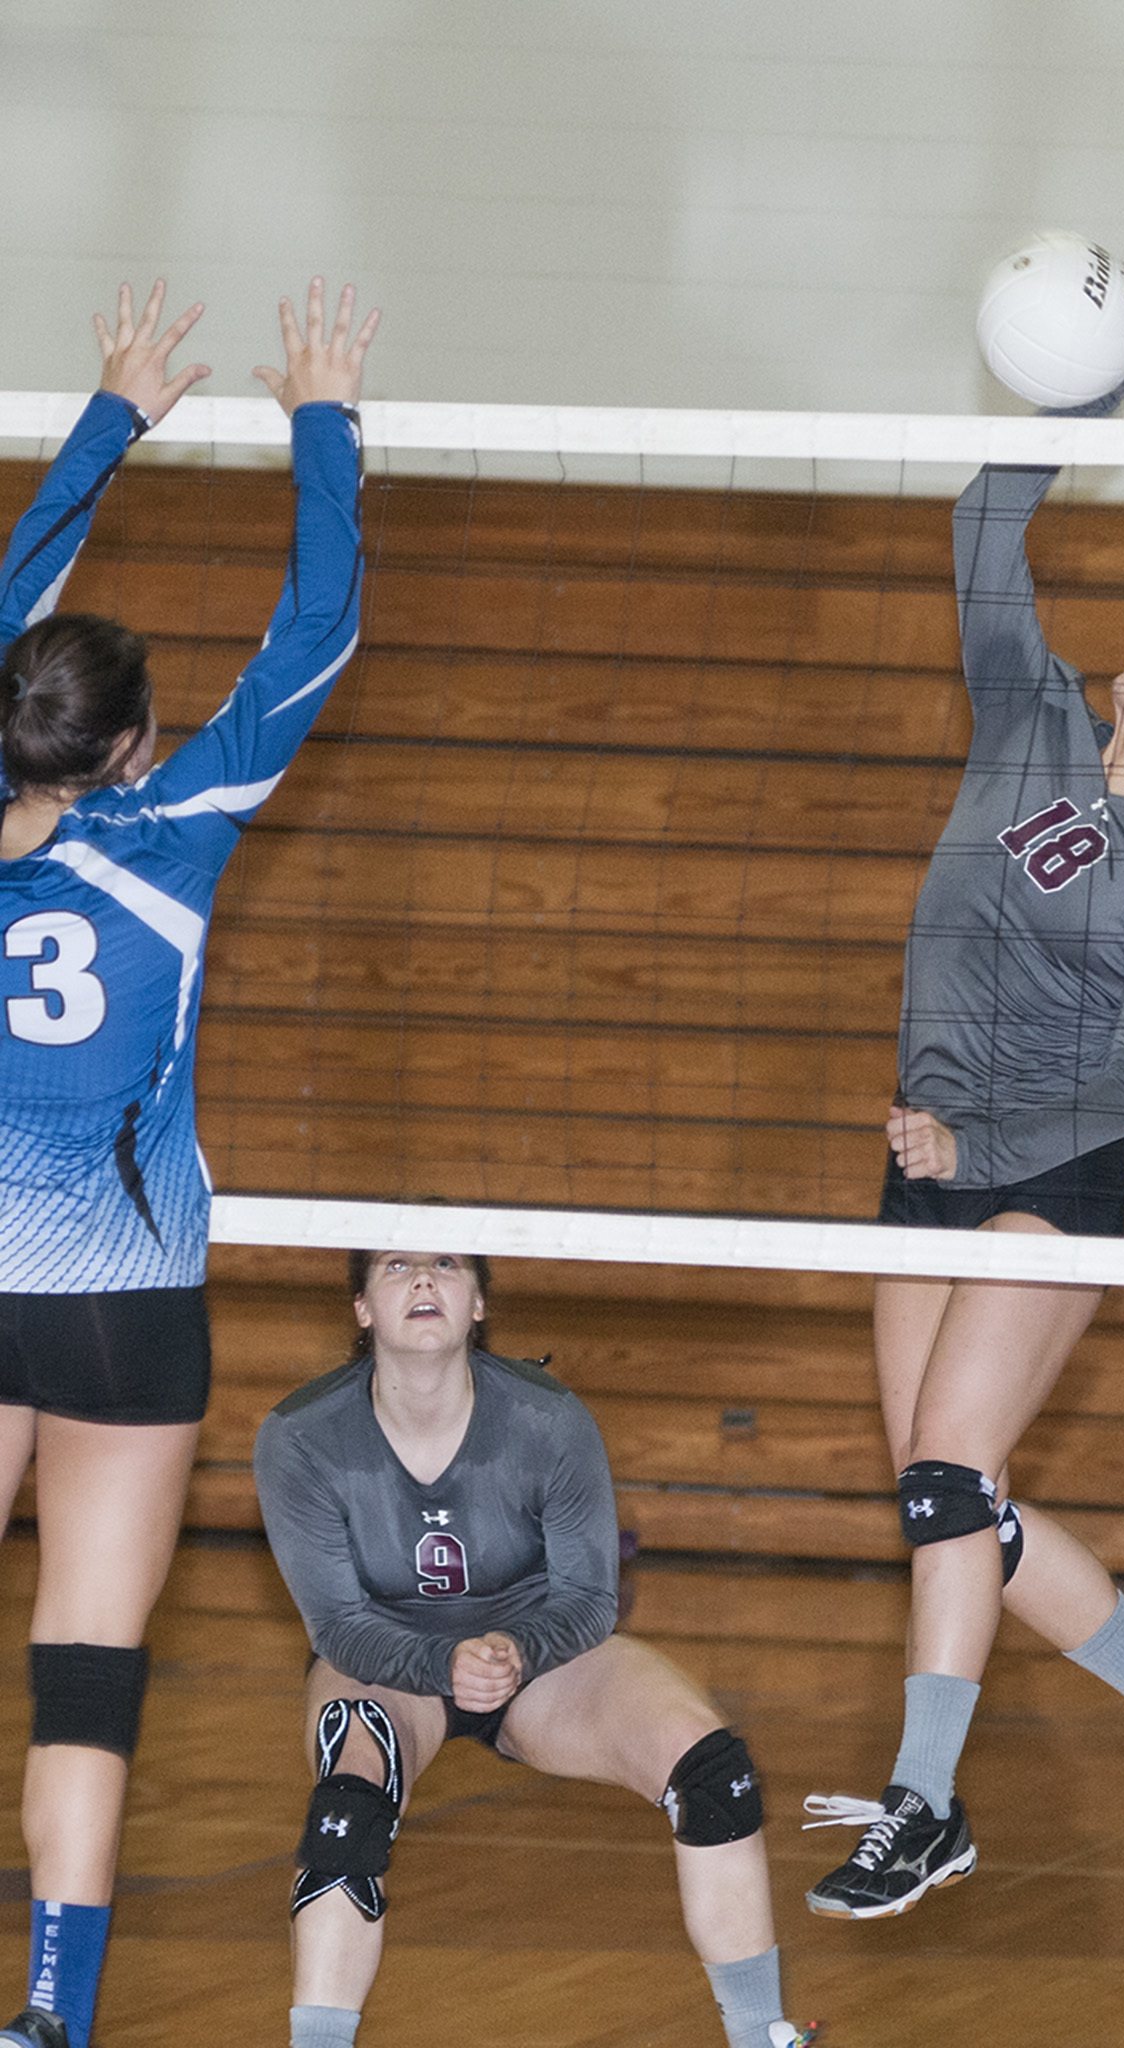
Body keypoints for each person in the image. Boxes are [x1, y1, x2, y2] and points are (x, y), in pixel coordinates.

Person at [803, 269, 1124, 1919]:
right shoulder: (1026, 713)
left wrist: (977, 1143)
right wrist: (1080, 397)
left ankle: (920, 1804)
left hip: (1050, 1171)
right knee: (950, 1508)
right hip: (921, 1137)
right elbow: (977, 527)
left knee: (950, 1475)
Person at [0, 277, 379, 2048]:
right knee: (83, 1660)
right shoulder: (183, 825)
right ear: (133, 745)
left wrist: (105, 419)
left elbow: (6, 621)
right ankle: (51, 2016)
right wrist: (322, 416)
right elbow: (313, 635)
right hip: (123, 1308)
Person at [253, 1249, 818, 2048]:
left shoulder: (546, 1418)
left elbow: (589, 1599)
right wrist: (439, 1665)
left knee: (712, 1769)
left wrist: (515, 1650)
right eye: (395, 1267)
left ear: (479, 1302)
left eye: (446, 1265)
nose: (423, 1282)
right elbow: (337, 1625)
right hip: (387, 1660)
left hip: (538, 1659)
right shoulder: (300, 1436)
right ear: (361, 1309)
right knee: (350, 1802)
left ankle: (761, 2033)